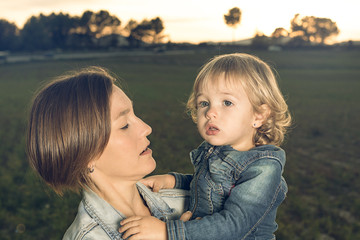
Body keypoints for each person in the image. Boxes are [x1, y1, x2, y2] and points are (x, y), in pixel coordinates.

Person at [120, 53, 292, 240]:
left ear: (258, 115)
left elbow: (235, 224)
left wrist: (167, 232)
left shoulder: (264, 168)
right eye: (204, 103)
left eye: (227, 102)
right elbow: (208, 185)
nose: (210, 112)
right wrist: (173, 181)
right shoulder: (214, 150)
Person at [26, 66, 189, 240]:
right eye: (124, 125)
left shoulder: (191, 198)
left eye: (135, 115)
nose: (146, 128)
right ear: (86, 155)